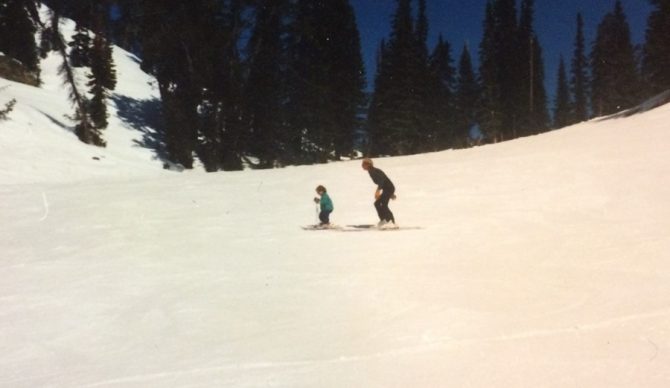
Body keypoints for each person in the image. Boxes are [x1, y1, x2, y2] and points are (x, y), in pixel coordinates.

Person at [361, 158, 396, 227]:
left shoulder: (373, 171)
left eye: (363, 164)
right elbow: (382, 181)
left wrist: (378, 191)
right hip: (387, 189)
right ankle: (383, 220)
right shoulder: (371, 171)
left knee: (383, 205)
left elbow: (381, 181)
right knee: (377, 203)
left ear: (368, 165)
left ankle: (391, 222)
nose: (362, 166)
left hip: (388, 188)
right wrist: (389, 193)